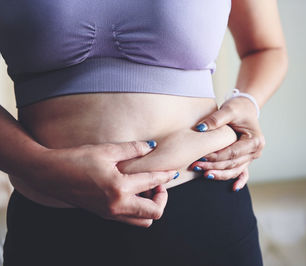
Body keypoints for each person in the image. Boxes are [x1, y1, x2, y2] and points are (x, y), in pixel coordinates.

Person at [0, 0, 288, 265]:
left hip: (205, 210)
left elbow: (265, 49)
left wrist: (247, 103)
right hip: (51, 226)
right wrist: (41, 167)